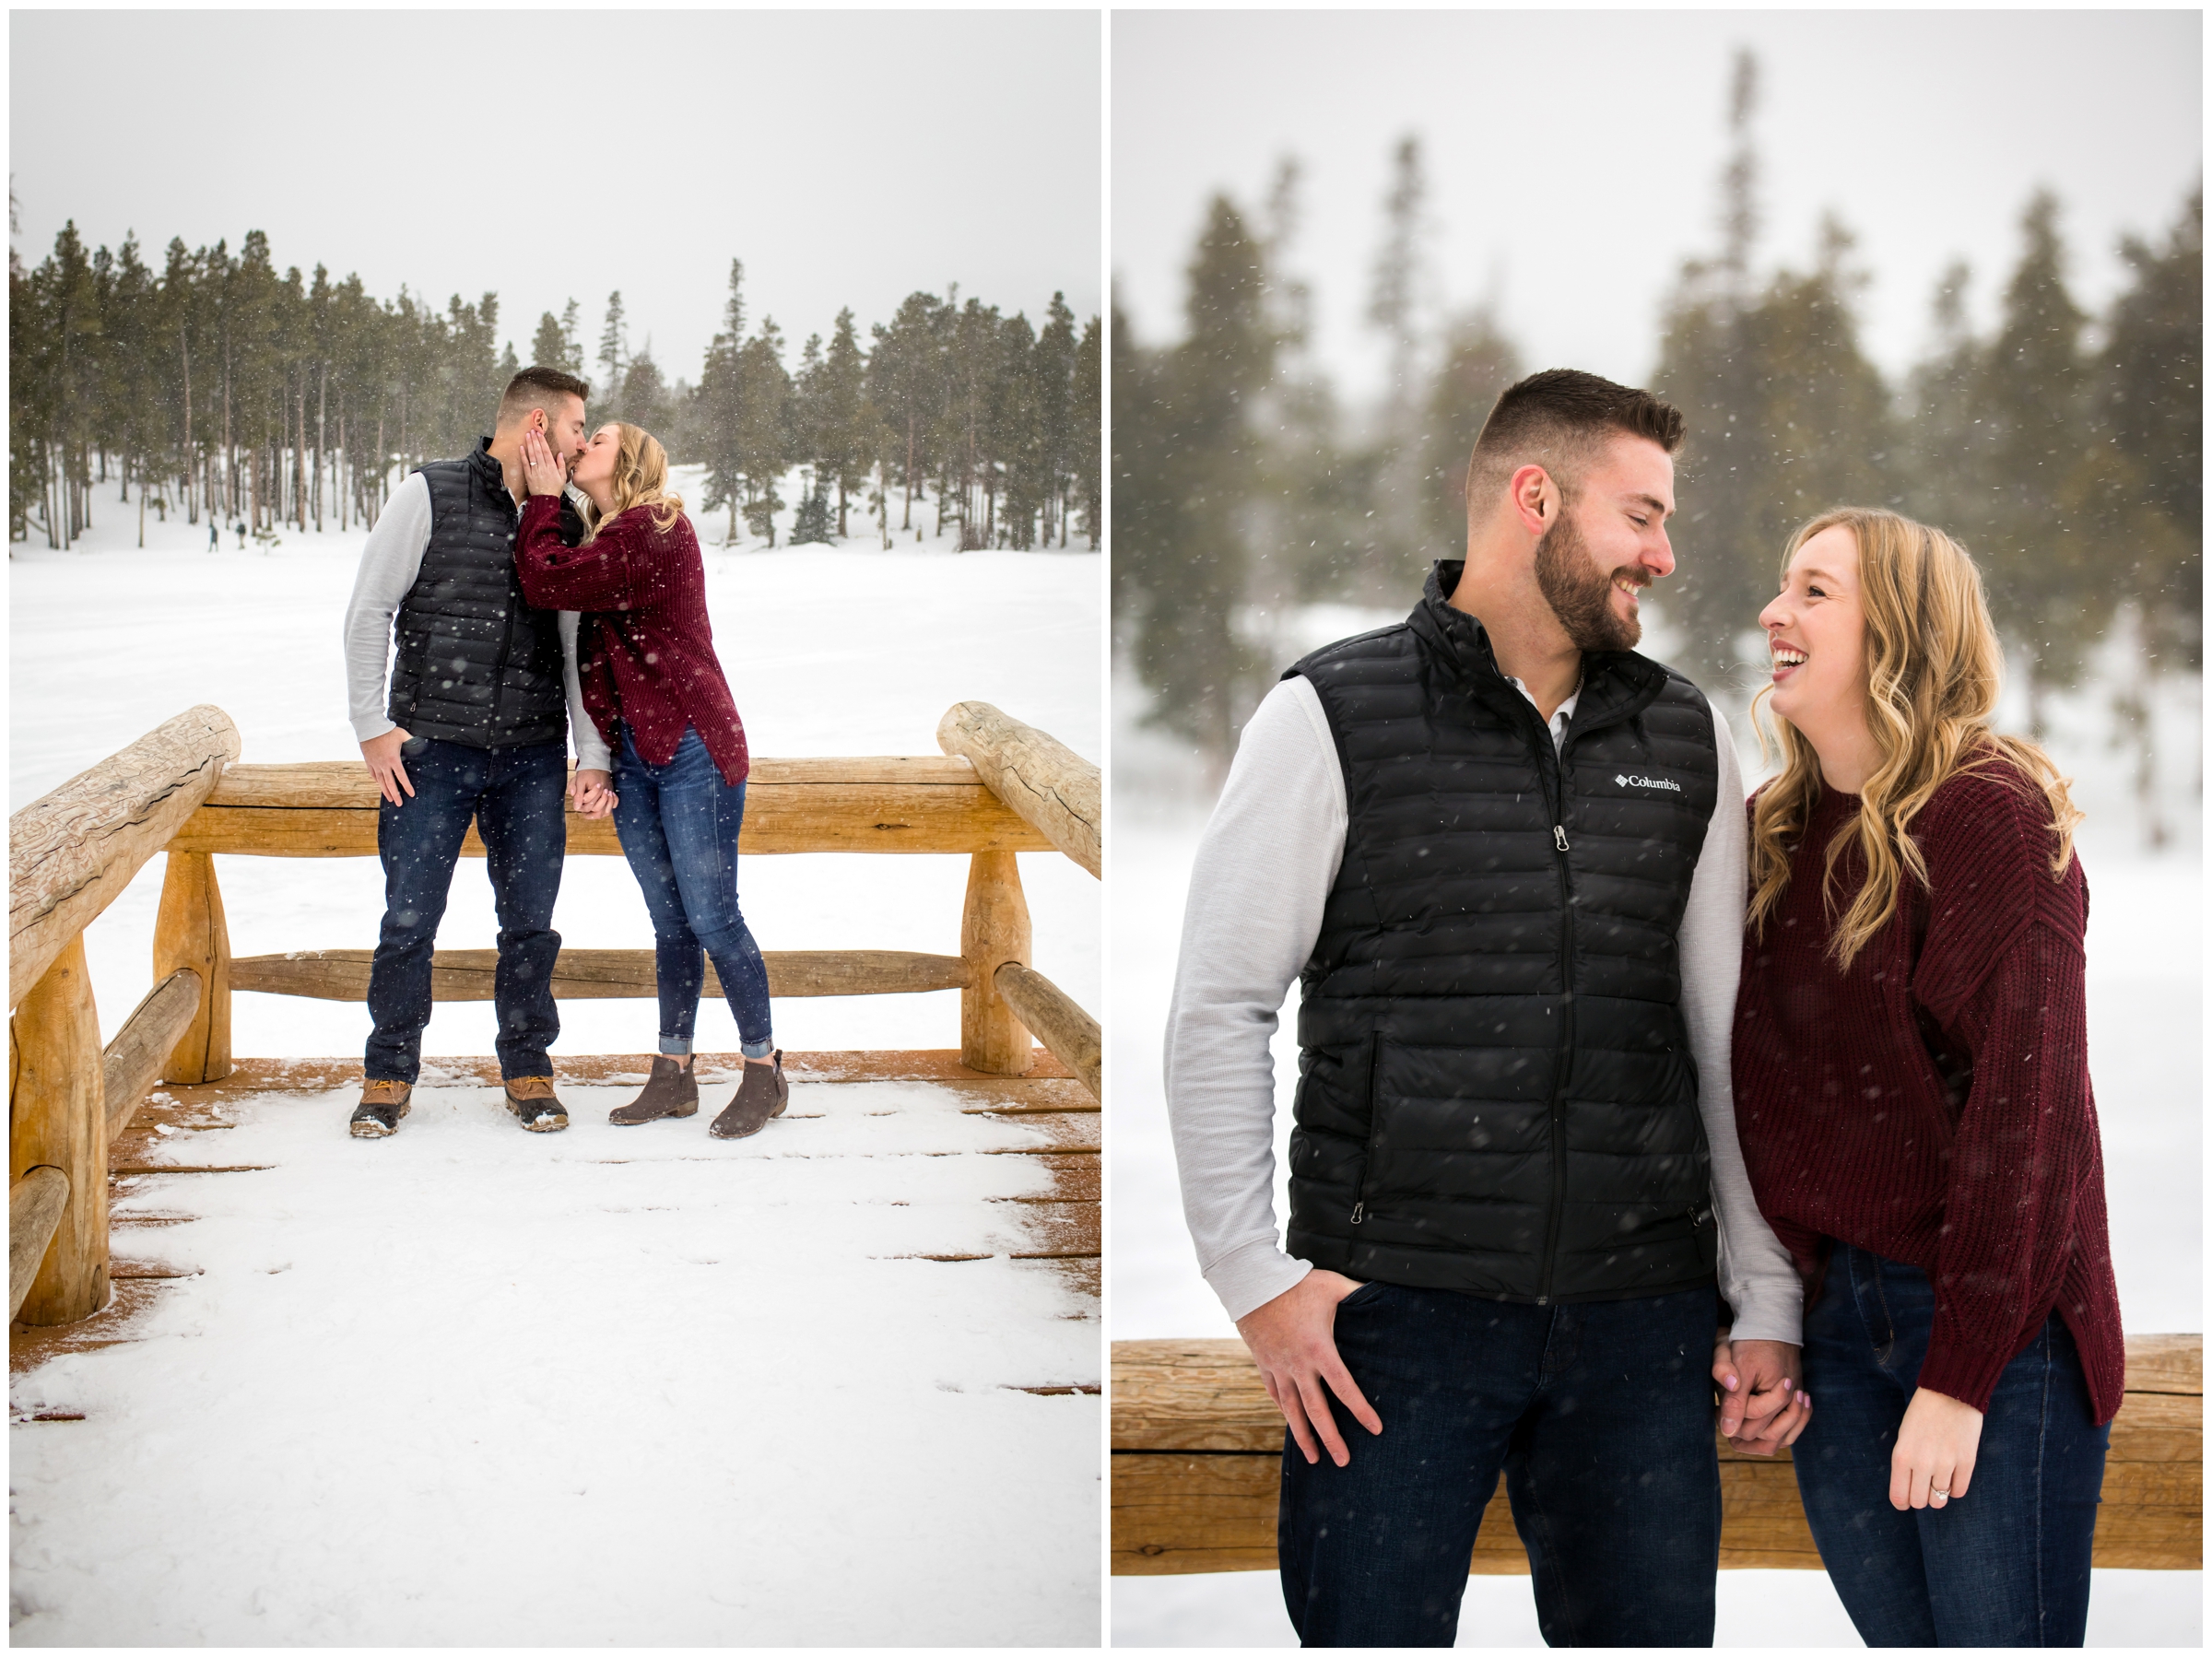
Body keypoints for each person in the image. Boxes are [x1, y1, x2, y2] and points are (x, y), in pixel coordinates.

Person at [1163, 369, 1809, 1648]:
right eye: (1639, 515)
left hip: (1640, 1325)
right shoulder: (1330, 715)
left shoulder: (1682, 736)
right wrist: (1254, 1280)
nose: (1665, 554)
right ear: (1535, 499)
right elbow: (1218, 1009)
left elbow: (1723, 1030)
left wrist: (1767, 1295)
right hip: (1395, 1326)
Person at [1728, 507, 2122, 1647]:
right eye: (1780, 585)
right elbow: (1758, 1097)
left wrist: (1962, 1378)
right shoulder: (1776, 832)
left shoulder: (1989, 817)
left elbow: (2029, 1125)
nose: (1774, 612)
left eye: (1814, 591)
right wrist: (1761, 1308)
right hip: (1838, 1333)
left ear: (1897, 632)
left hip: (2000, 1331)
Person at [340, 366, 607, 1139]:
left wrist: (590, 752)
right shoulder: (428, 492)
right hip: (431, 753)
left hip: (529, 757)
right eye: (573, 427)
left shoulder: (563, 518)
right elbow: (370, 610)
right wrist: (372, 725)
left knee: (530, 924)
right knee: (408, 921)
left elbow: (574, 649)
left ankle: (528, 1067)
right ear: (535, 429)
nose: (582, 442)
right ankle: (388, 1072)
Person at [512, 420, 785, 1140]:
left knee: (714, 918)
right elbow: (591, 659)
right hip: (638, 750)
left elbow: (545, 579)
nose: (580, 448)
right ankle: (674, 1073)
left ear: (627, 461)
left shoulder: (654, 528)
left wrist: (542, 500)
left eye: (594, 440)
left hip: (694, 743)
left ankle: (764, 1071)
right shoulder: (610, 539)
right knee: (671, 924)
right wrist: (597, 757)